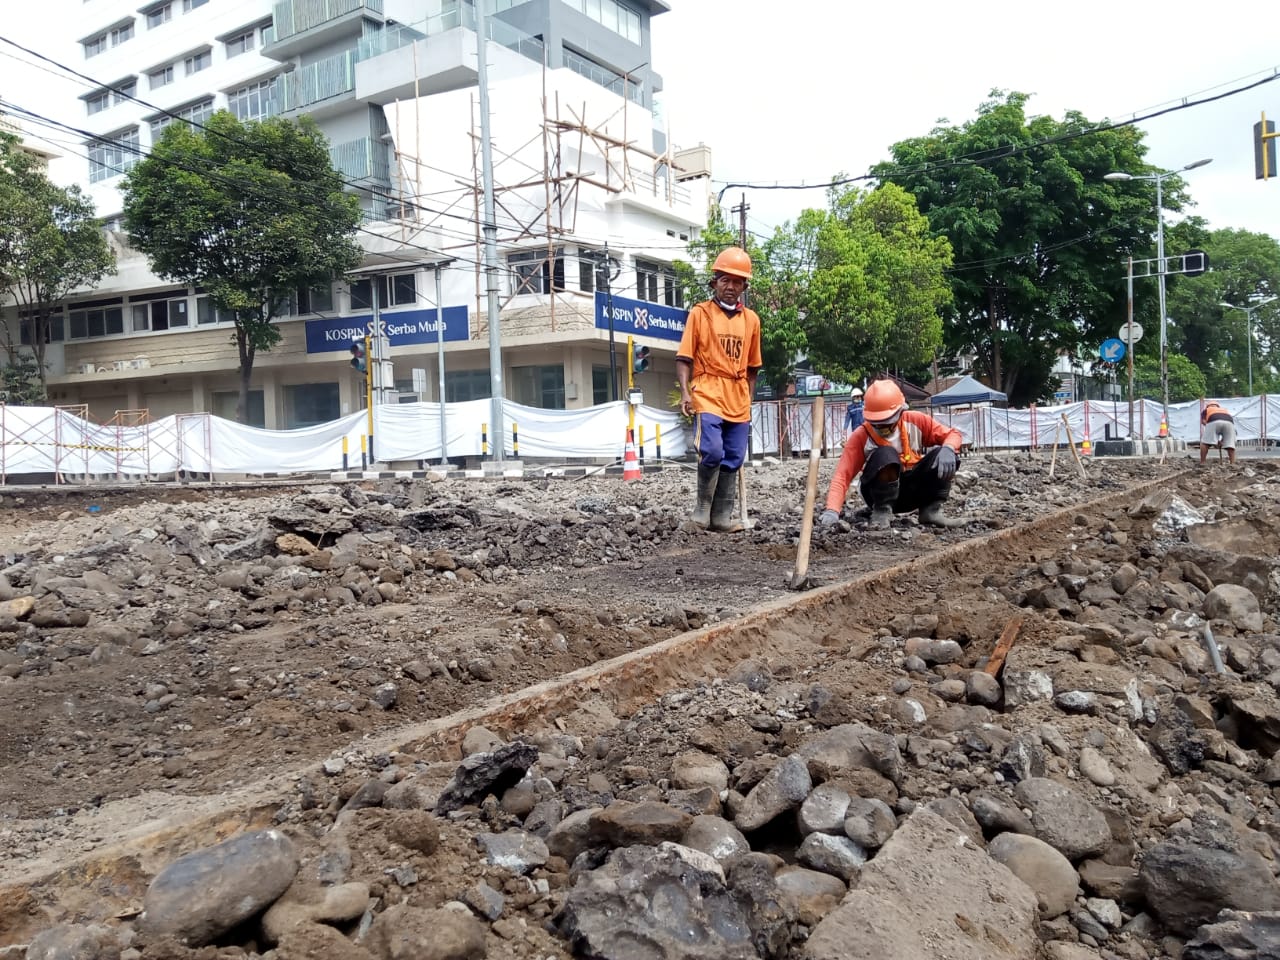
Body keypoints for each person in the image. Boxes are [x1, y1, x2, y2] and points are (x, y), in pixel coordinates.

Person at [676, 246, 763, 532]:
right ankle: (702, 510)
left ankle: (721, 516)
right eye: (725, 280)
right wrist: (687, 393)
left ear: (744, 286)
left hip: (737, 394)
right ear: (715, 282)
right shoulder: (700, 314)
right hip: (708, 389)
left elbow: (753, 367)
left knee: (735, 455)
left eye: (737, 281)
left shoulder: (751, 320)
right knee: (712, 450)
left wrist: (748, 399)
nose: (731, 286)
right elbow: (684, 358)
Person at [818, 379, 966, 530]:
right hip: (877, 496)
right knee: (886, 454)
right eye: (877, 423)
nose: (883, 428)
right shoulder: (861, 436)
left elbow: (953, 435)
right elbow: (842, 475)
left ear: (901, 412)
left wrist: (948, 448)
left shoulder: (916, 421)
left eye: (888, 422)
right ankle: (882, 512)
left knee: (945, 454)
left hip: (913, 492)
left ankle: (931, 511)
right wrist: (832, 510)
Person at [1200, 400, 1237, 464]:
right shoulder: (1224, 410)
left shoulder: (1206, 410)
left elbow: (1203, 421)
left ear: (1208, 406)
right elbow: (1224, 425)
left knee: (1205, 443)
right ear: (1217, 406)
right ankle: (1232, 463)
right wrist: (1221, 441)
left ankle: (1203, 462)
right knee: (1230, 444)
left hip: (1213, 420)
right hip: (1229, 423)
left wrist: (1210, 429)